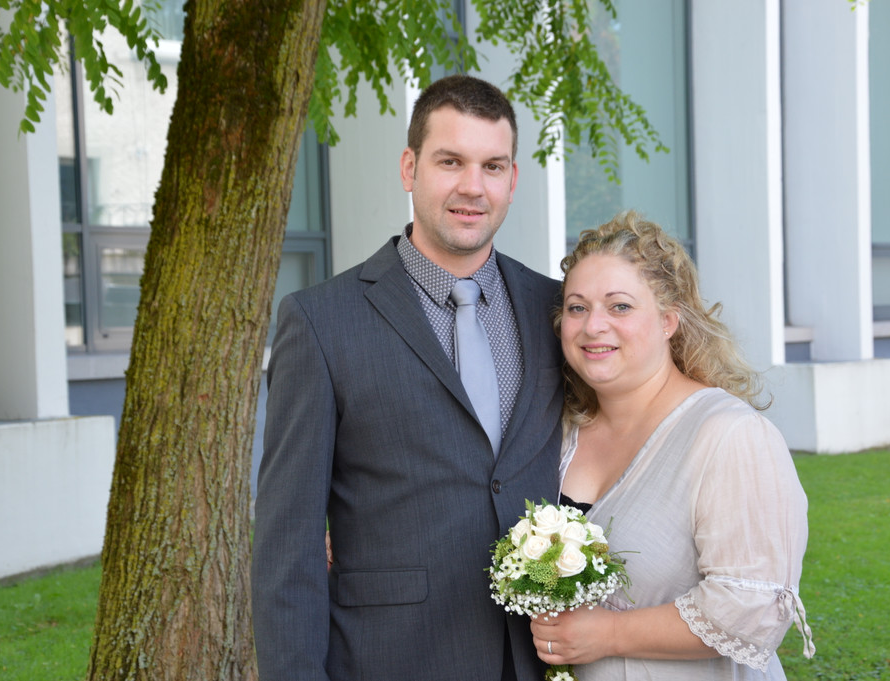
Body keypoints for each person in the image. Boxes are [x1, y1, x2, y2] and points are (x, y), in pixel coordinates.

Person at [251, 74, 565, 681]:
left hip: (537, 659)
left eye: (492, 166)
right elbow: (287, 545)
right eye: (451, 162)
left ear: (512, 180)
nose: (472, 187)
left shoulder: (553, 309)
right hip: (391, 658)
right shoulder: (320, 321)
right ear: (409, 168)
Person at [531, 211, 815, 679]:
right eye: (577, 308)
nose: (593, 325)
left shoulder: (729, 435)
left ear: (668, 321)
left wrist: (609, 633)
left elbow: (754, 608)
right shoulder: (558, 430)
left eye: (620, 307)